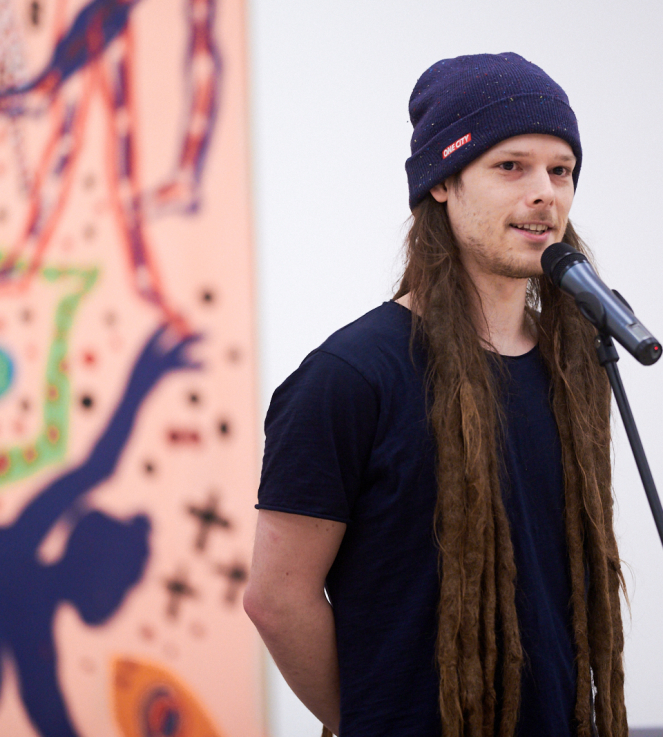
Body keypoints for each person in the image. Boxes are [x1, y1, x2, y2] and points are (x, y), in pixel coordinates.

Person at [243, 53, 628, 737]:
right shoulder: (349, 376)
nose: (545, 193)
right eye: (510, 166)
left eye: (560, 170)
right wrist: (374, 722)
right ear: (443, 181)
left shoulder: (574, 366)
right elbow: (277, 597)